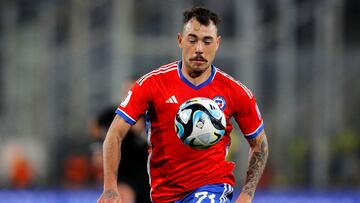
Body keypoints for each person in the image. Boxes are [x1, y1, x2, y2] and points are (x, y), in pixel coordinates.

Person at [98, 6, 269, 203]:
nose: (199, 49)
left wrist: (247, 194)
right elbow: (114, 133)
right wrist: (110, 187)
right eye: (192, 39)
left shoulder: (236, 92)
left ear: (218, 43)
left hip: (212, 187)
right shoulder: (151, 84)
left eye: (207, 41)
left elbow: (259, 145)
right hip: (163, 194)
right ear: (180, 40)